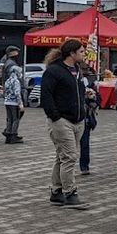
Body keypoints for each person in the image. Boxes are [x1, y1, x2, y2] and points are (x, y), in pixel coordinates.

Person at [40, 39, 87, 207]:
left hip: (78, 120)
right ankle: (70, 192)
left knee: (62, 157)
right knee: (70, 157)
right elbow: (46, 95)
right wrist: (55, 116)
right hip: (61, 121)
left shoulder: (77, 70)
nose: (84, 54)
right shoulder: (54, 71)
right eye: (81, 51)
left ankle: (56, 191)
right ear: (71, 53)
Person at [79, 60, 98, 175]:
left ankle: (84, 166)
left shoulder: (91, 82)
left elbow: (97, 100)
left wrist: (92, 99)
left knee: (85, 143)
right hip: (72, 115)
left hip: (86, 116)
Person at [2, 62, 25, 143]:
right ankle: (13, 135)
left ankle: (8, 135)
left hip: (7, 102)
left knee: (9, 119)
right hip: (14, 103)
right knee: (16, 119)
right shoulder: (16, 81)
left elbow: (5, 92)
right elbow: (17, 93)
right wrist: (21, 105)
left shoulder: (7, 81)